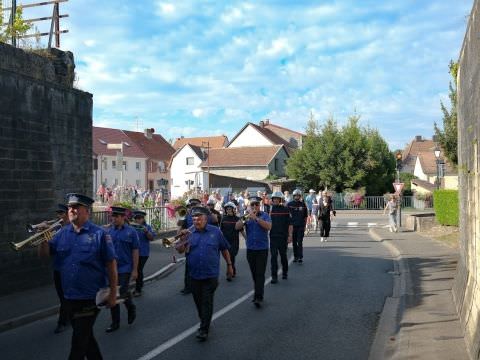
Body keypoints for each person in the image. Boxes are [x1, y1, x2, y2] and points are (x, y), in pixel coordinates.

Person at [41, 193, 118, 360]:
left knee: (78, 343)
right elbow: (45, 255)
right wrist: (43, 240)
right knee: (85, 338)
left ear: (87, 211)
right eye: (70, 207)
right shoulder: (61, 234)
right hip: (69, 296)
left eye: (76, 207)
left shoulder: (100, 234)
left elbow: (111, 265)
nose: (72, 210)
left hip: (90, 296)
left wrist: (113, 293)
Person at [176, 206, 233, 341]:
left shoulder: (216, 232)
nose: (196, 221)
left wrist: (229, 266)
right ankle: (205, 320)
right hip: (194, 274)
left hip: (210, 274)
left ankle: (203, 329)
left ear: (206, 219)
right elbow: (179, 250)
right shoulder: (189, 233)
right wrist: (182, 239)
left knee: (206, 301)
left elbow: (224, 249)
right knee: (198, 301)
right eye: (194, 219)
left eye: (199, 218)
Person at [105, 206, 139, 333]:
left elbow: (135, 251)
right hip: (111, 268)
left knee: (121, 291)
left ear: (123, 217)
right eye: (112, 216)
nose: (113, 219)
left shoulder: (131, 231)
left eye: (116, 216)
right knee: (113, 293)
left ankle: (130, 307)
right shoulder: (108, 231)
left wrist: (135, 269)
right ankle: (115, 322)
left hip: (125, 267)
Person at [239, 196, 272, 307]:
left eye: (256, 205)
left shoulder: (265, 215)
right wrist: (245, 218)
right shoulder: (246, 216)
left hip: (262, 249)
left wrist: (256, 219)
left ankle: (258, 297)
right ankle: (258, 292)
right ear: (249, 206)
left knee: (260, 273)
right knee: (254, 274)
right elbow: (237, 227)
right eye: (252, 205)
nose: (254, 206)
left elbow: (268, 227)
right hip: (250, 249)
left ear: (259, 206)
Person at [178, 198, 202, 295]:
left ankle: (199, 286)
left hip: (200, 243)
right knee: (188, 266)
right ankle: (187, 287)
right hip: (190, 243)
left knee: (199, 266)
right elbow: (180, 228)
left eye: (195, 205)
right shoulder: (187, 216)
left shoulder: (203, 215)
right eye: (192, 205)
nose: (193, 206)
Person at [269, 192, 293, 283]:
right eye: (274, 198)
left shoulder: (286, 209)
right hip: (273, 237)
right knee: (273, 257)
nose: (275, 200)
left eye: (277, 198)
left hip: (283, 237)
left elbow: (290, 224)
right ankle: (274, 276)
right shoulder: (270, 210)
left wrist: (290, 235)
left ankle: (285, 272)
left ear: (280, 200)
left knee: (283, 256)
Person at [131, 210, 156, 297]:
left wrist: (146, 232)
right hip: (133, 252)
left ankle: (138, 289)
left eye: (139, 218)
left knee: (138, 269)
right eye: (136, 218)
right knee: (135, 269)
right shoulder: (132, 227)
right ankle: (139, 285)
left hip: (143, 253)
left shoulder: (147, 227)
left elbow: (152, 238)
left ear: (143, 219)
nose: (137, 220)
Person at [220, 202, 243, 281]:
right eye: (227, 209)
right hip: (226, 241)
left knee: (232, 256)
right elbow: (221, 231)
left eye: (230, 209)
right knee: (228, 257)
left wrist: (247, 238)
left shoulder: (237, 219)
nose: (228, 210)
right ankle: (230, 272)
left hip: (234, 241)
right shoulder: (223, 219)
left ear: (233, 210)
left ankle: (231, 271)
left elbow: (241, 230)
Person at [287, 189, 308, 263]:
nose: (297, 197)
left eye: (298, 195)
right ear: (293, 196)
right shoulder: (289, 204)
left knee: (300, 241)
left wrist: (305, 226)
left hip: (300, 226)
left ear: (300, 196)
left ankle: (300, 257)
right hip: (292, 226)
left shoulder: (303, 205)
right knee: (294, 242)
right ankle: (295, 256)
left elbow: (305, 216)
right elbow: (286, 216)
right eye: (295, 195)